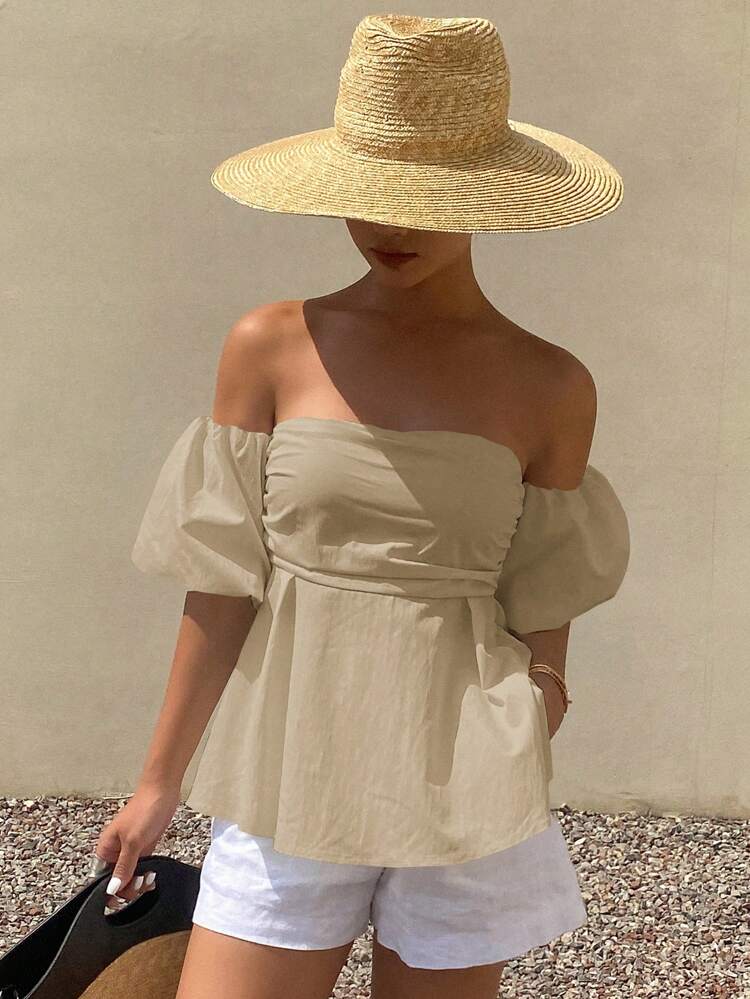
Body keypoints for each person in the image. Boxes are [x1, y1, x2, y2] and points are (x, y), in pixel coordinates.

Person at [92, 14, 630, 999]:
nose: (394, 226)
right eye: (372, 194)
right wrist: (159, 782)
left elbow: (544, 592)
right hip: (288, 769)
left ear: (484, 199)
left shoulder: (551, 385)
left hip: (467, 783)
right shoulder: (270, 345)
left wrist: (538, 704)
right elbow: (222, 583)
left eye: (427, 200)